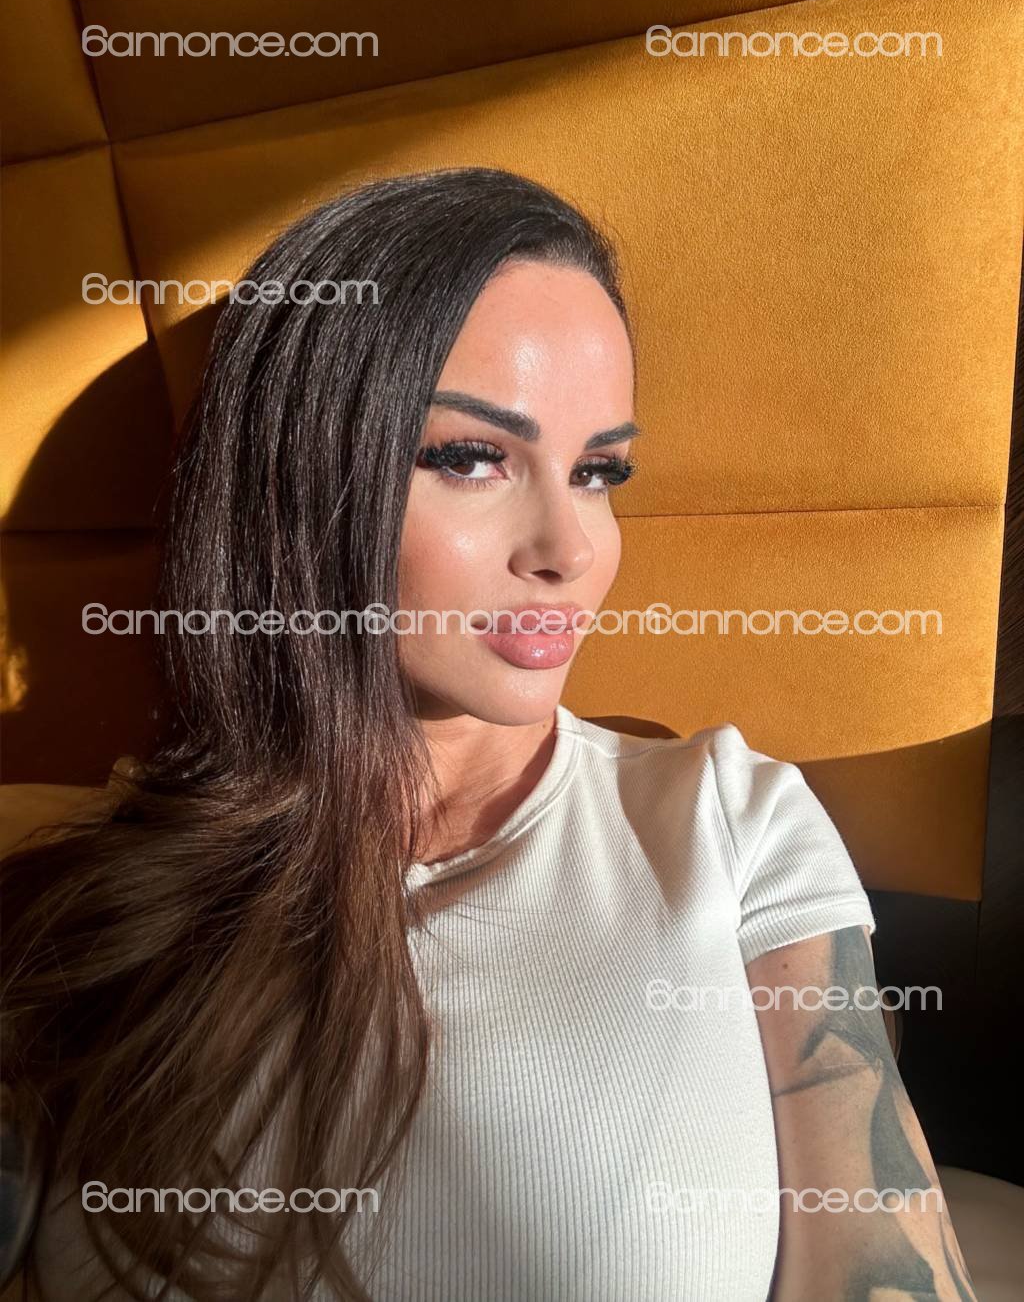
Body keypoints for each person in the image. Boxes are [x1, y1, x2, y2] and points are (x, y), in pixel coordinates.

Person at [1, 167, 976, 1300]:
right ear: (296, 479)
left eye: (598, 471)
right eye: (471, 458)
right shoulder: (90, 897)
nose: (570, 548)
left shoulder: (730, 823)